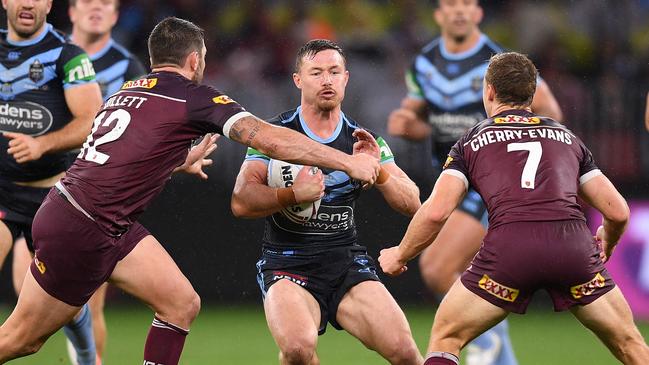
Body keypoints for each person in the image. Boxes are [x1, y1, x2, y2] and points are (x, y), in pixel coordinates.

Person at [0, 17, 380, 365]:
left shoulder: (126, 91)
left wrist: (177, 160)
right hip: (86, 226)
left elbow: (115, 157)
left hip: (86, 215)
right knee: (22, 340)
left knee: (180, 303)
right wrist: (347, 162)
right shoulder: (192, 97)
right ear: (195, 60)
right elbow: (267, 138)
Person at [379, 52, 649, 365]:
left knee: (447, 337)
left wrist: (400, 254)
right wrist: (608, 240)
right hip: (573, 250)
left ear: (489, 91)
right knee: (630, 344)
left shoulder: (472, 141)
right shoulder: (567, 138)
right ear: (532, 94)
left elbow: (437, 212)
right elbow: (618, 212)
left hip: (510, 252)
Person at [386, 1, 562, 363]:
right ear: (439, 15)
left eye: (468, 3)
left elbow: (552, 114)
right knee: (459, 271)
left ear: (479, 13)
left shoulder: (498, 61)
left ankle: (486, 341)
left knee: (436, 266)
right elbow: (424, 123)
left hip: (491, 184)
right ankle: (497, 349)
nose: (460, 11)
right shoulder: (424, 63)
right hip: (454, 177)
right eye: (452, 4)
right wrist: (407, 124)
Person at [231, 39, 423, 365]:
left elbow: (413, 203)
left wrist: (379, 173)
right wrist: (291, 195)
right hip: (287, 264)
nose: (327, 80)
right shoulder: (274, 134)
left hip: (345, 263)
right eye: (316, 72)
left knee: (406, 352)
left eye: (334, 72)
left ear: (346, 78)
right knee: (297, 350)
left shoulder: (363, 140)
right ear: (298, 80)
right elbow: (241, 201)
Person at [10, 1, 148, 363]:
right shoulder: (45, 55)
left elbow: (138, 132)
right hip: (24, 191)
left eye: (106, 4)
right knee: (27, 299)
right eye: (88, 2)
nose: (96, 10)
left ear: (116, 16)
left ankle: (88, 360)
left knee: (85, 302)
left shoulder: (125, 67)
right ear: (70, 11)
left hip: (84, 197)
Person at [0, 0, 103, 364]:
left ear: (49, 3)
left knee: (62, 306)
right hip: (3, 193)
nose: (27, 2)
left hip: (53, 199)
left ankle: (86, 355)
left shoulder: (68, 57)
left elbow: (92, 120)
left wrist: (41, 143)